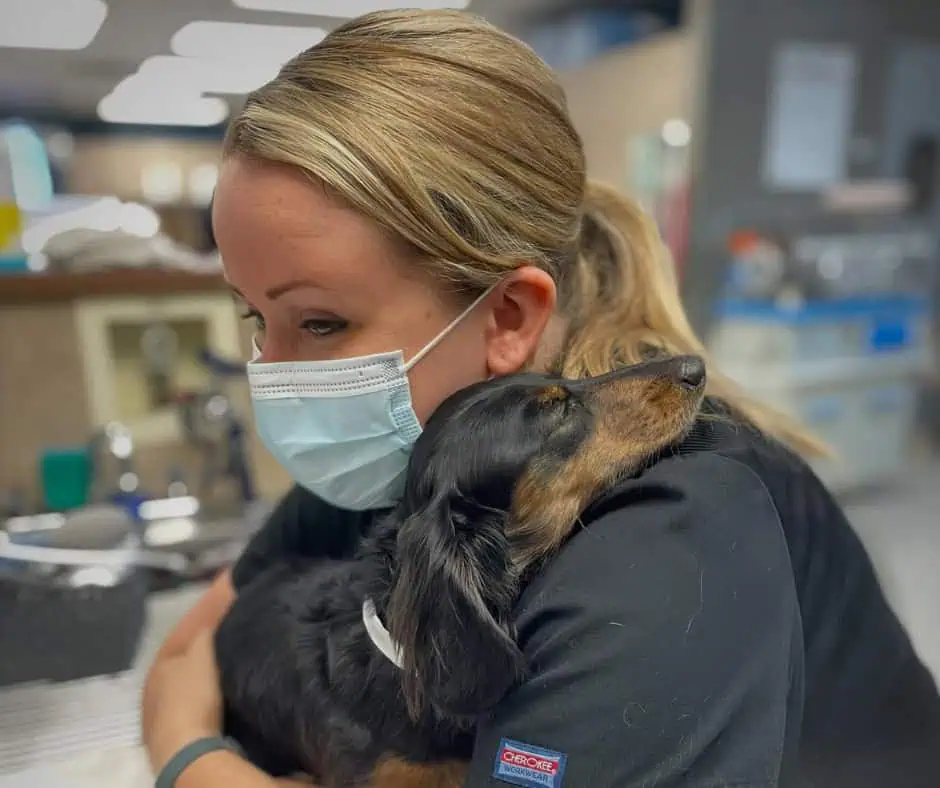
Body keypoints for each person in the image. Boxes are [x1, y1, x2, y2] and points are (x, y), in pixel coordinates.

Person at [141, 9, 938, 788]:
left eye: (319, 321)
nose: (272, 371)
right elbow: (182, 656)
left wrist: (192, 759)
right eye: (256, 317)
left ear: (510, 317)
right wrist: (188, 730)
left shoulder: (665, 537)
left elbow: (185, 696)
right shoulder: (425, 447)